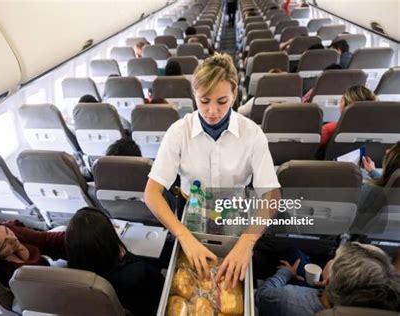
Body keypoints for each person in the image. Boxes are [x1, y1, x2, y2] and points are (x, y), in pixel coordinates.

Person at [144, 53, 281, 288]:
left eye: (222, 101)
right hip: (191, 210)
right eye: (204, 101)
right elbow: (152, 193)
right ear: (194, 95)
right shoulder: (179, 132)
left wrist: (246, 242)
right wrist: (184, 237)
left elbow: (272, 196)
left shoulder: (252, 134)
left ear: (235, 94)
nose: (212, 111)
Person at [66, 207, 164, 316]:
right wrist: (126, 255)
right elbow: (162, 285)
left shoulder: (74, 283)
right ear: (109, 241)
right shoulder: (138, 271)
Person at [256, 242, 400, 316]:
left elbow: (261, 295)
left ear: (329, 281)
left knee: (293, 253)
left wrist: (286, 273)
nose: (332, 259)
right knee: (296, 255)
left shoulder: (287, 299)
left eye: (335, 259)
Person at [0, 220, 66, 287]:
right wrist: (24, 252)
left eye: (7, 231)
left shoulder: (5, 231)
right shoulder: (12, 274)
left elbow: (44, 239)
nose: (13, 238)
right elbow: (44, 271)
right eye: (4, 245)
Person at [351, 142, 400, 233]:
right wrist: (373, 172)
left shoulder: (370, 191)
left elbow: (353, 221)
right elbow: (392, 185)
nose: (387, 151)